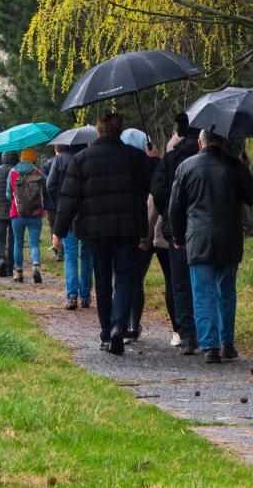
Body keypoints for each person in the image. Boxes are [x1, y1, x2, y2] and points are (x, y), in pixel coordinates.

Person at [56, 112, 154, 355]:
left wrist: (59, 230)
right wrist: (154, 160)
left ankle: (105, 333)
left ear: (98, 132)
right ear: (120, 132)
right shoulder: (136, 158)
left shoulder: (81, 160)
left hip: (95, 230)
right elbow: (153, 185)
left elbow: (69, 199)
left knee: (102, 279)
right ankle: (119, 325)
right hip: (128, 227)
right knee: (124, 277)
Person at [169, 129, 253, 364]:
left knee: (202, 293)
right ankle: (227, 342)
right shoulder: (235, 166)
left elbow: (175, 208)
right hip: (229, 239)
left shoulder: (186, 167)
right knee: (226, 291)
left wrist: (179, 237)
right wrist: (245, 168)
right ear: (222, 141)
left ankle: (210, 345)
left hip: (198, 239)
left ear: (201, 143)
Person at [151, 113, 200, 352]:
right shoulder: (206, 156)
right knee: (202, 281)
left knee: (179, 281)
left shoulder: (171, 159)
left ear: (179, 133)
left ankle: (187, 335)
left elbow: (158, 191)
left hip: (176, 228)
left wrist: (167, 213)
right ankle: (208, 330)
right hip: (202, 227)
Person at [121, 128, 158, 341]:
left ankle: (126, 322)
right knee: (137, 279)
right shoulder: (150, 168)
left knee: (126, 278)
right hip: (146, 231)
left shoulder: (121, 168)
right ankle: (133, 322)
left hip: (128, 231)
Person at [48, 140, 93, 309]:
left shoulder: (60, 160)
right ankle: (86, 295)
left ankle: (72, 295)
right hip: (87, 213)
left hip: (67, 213)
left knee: (70, 255)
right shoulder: (89, 158)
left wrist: (59, 204)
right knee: (87, 255)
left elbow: (50, 184)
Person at [9, 147, 48, 283]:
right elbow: (48, 185)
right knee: (34, 243)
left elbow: (8, 194)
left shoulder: (12, 172)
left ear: (21, 158)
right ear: (33, 159)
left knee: (18, 243)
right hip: (36, 213)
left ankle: (18, 272)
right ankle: (36, 265)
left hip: (17, 213)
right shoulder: (38, 172)